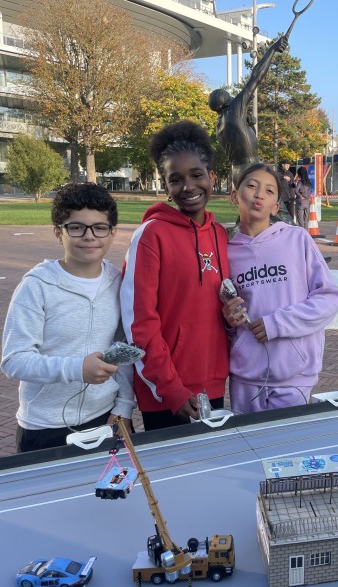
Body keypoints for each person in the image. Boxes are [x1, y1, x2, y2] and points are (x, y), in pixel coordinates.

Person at [1, 183, 135, 453]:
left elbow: (123, 351)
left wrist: (124, 407)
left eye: (99, 227)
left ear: (113, 233)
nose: (89, 237)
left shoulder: (119, 284)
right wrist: (77, 368)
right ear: (58, 233)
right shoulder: (36, 286)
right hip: (44, 426)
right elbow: (14, 360)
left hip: (105, 418)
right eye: (76, 227)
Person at [120, 121, 230, 430]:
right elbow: (138, 321)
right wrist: (170, 389)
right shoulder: (150, 235)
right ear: (166, 187)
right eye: (176, 179)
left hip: (213, 382)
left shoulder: (220, 234)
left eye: (196, 175)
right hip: (167, 391)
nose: (189, 186)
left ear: (212, 177)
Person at [222, 163, 338, 414]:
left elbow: (329, 299)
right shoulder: (226, 252)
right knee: (249, 449)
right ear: (235, 195)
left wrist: (276, 324)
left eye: (269, 191)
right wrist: (227, 320)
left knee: (286, 451)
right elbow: (224, 313)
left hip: (294, 376)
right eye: (252, 186)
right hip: (246, 377)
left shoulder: (297, 239)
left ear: (276, 206)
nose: (259, 195)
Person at [209, 35, 289, 187]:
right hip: (251, 168)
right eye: (230, 97)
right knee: (272, 206)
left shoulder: (220, 124)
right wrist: (273, 49)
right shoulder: (233, 109)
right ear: (226, 102)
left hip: (239, 171)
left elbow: (244, 142)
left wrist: (249, 127)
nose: (234, 98)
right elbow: (256, 76)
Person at [294, 165, 312, 231]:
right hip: (307, 202)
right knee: (306, 220)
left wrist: (300, 196)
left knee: (300, 221)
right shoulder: (308, 183)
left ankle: (302, 234)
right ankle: (306, 233)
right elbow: (310, 192)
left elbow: (295, 190)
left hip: (300, 202)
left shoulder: (300, 183)